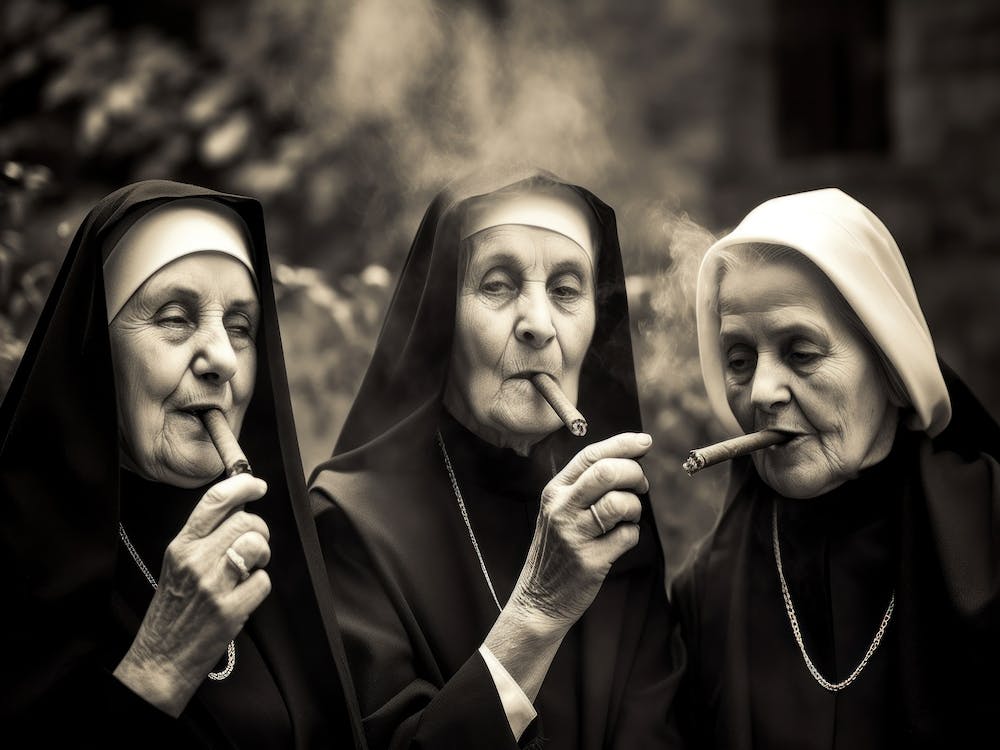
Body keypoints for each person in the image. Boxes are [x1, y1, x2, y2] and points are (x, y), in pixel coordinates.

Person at [310, 165, 683, 749]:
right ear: (442, 322)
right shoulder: (348, 524)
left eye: (565, 290)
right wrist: (537, 613)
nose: (538, 325)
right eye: (499, 285)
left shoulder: (609, 513)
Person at [0, 180, 366, 748]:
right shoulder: (14, 558)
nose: (223, 357)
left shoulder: (284, 551)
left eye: (240, 327)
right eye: (175, 318)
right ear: (99, 348)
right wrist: (159, 665)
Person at [672, 187, 1000, 748]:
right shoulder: (702, 592)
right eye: (739, 360)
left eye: (801, 352)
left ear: (891, 364)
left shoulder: (991, 532)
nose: (762, 392)